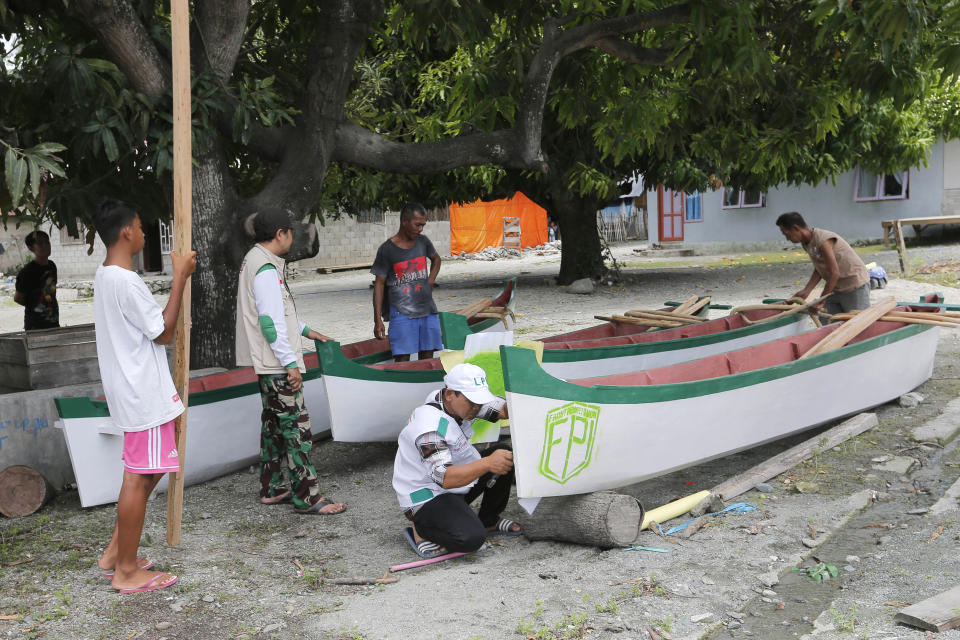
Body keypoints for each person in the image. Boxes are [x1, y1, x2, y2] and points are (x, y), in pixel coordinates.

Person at [91, 199, 194, 593]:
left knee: (147, 472)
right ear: (126, 232)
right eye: (140, 225)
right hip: (142, 392)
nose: (145, 232)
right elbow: (164, 332)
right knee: (139, 477)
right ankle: (127, 572)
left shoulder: (105, 275)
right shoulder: (125, 281)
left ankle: (115, 556)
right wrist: (179, 276)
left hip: (131, 387)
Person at [235, 207, 345, 515]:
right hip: (277, 365)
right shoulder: (266, 270)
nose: (292, 237)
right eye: (290, 232)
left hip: (268, 365)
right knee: (297, 430)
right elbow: (269, 323)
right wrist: (291, 365)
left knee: (273, 426)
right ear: (281, 234)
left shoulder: (254, 260)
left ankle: (271, 487)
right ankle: (308, 498)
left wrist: (308, 331)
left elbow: (277, 314)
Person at [393, 363, 522, 558]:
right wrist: (487, 463)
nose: (476, 407)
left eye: (479, 401)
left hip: (453, 484)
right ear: (451, 394)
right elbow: (445, 478)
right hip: (427, 496)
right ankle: (420, 530)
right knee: (471, 539)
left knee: (504, 454)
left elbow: (503, 410)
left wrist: (529, 397)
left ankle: (489, 520)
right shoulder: (429, 429)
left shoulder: (456, 402)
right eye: (472, 402)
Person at [372, 203, 442, 362]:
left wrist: (430, 280)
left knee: (427, 357)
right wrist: (377, 320)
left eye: (423, 225)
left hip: (428, 311)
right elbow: (379, 284)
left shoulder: (423, 242)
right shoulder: (387, 249)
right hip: (401, 313)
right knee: (402, 360)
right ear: (404, 221)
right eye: (417, 224)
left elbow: (436, 259)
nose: (421, 229)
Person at [776, 212, 870, 314]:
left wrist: (821, 300)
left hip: (854, 284)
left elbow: (834, 272)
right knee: (827, 320)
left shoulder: (823, 240)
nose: (787, 238)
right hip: (836, 287)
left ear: (795, 228)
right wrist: (807, 290)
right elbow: (820, 267)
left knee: (857, 322)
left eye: (786, 233)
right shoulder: (806, 242)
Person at [14, 230, 59, 330]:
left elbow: (52, 291)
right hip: (35, 325)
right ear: (31, 248)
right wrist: (37, 305)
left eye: (47, 242)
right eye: (40, 243)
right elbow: (18, 298)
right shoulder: (27, 272)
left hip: (53, 321)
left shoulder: (51, 266)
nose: (45, 245)